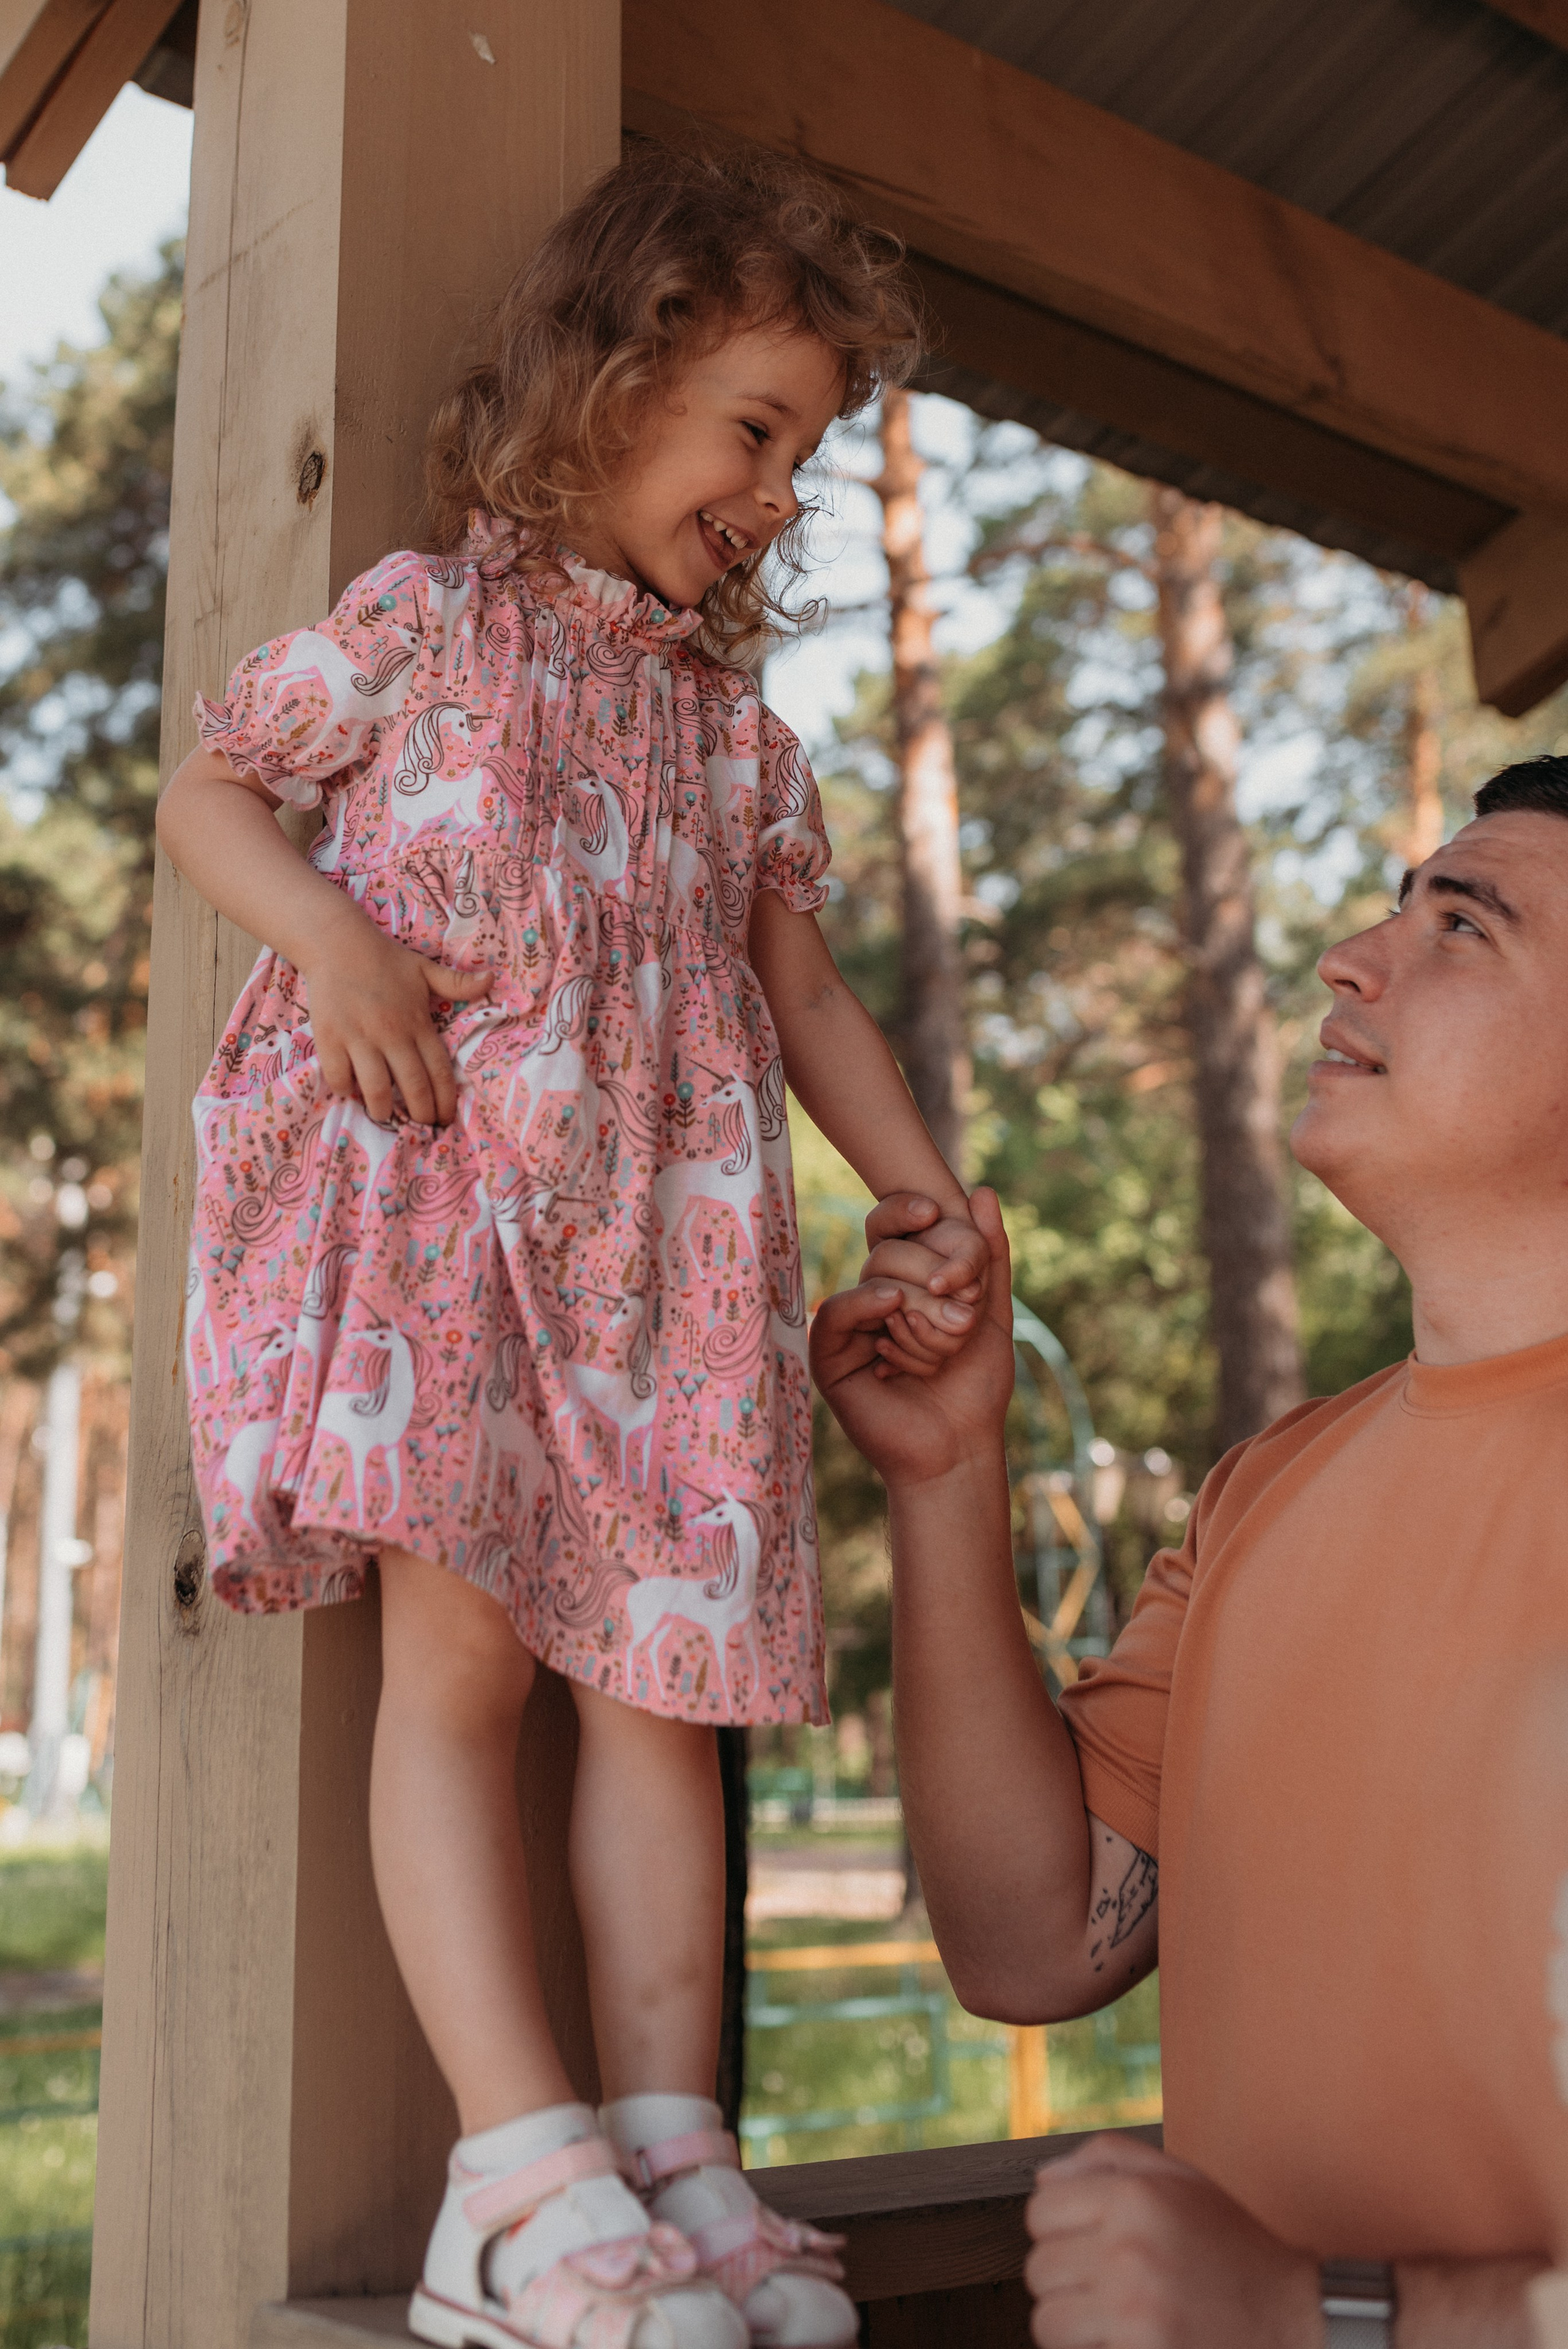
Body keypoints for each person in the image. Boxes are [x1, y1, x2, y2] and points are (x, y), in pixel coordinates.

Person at [156, 144, 984, 2349]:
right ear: (615, 386)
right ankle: (512, 2182)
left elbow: (803, 995)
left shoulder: (737, 744)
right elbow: (214, 790)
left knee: (662, 1698)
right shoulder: (430, 625)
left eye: (809, 451)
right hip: (462, 1225)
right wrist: (328, 934)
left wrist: (925, 1191)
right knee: (470, 1678)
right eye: (758, 430)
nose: (783, 492)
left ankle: (670, 2151)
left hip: (680, 1269)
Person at [812, 756, 1568, 2347]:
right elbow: (1031, 1934)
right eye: (1390, 905)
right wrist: (953, 1472)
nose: (1350, 956)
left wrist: (1329, 2315)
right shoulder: (1262, 1496)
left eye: (1462, 926)